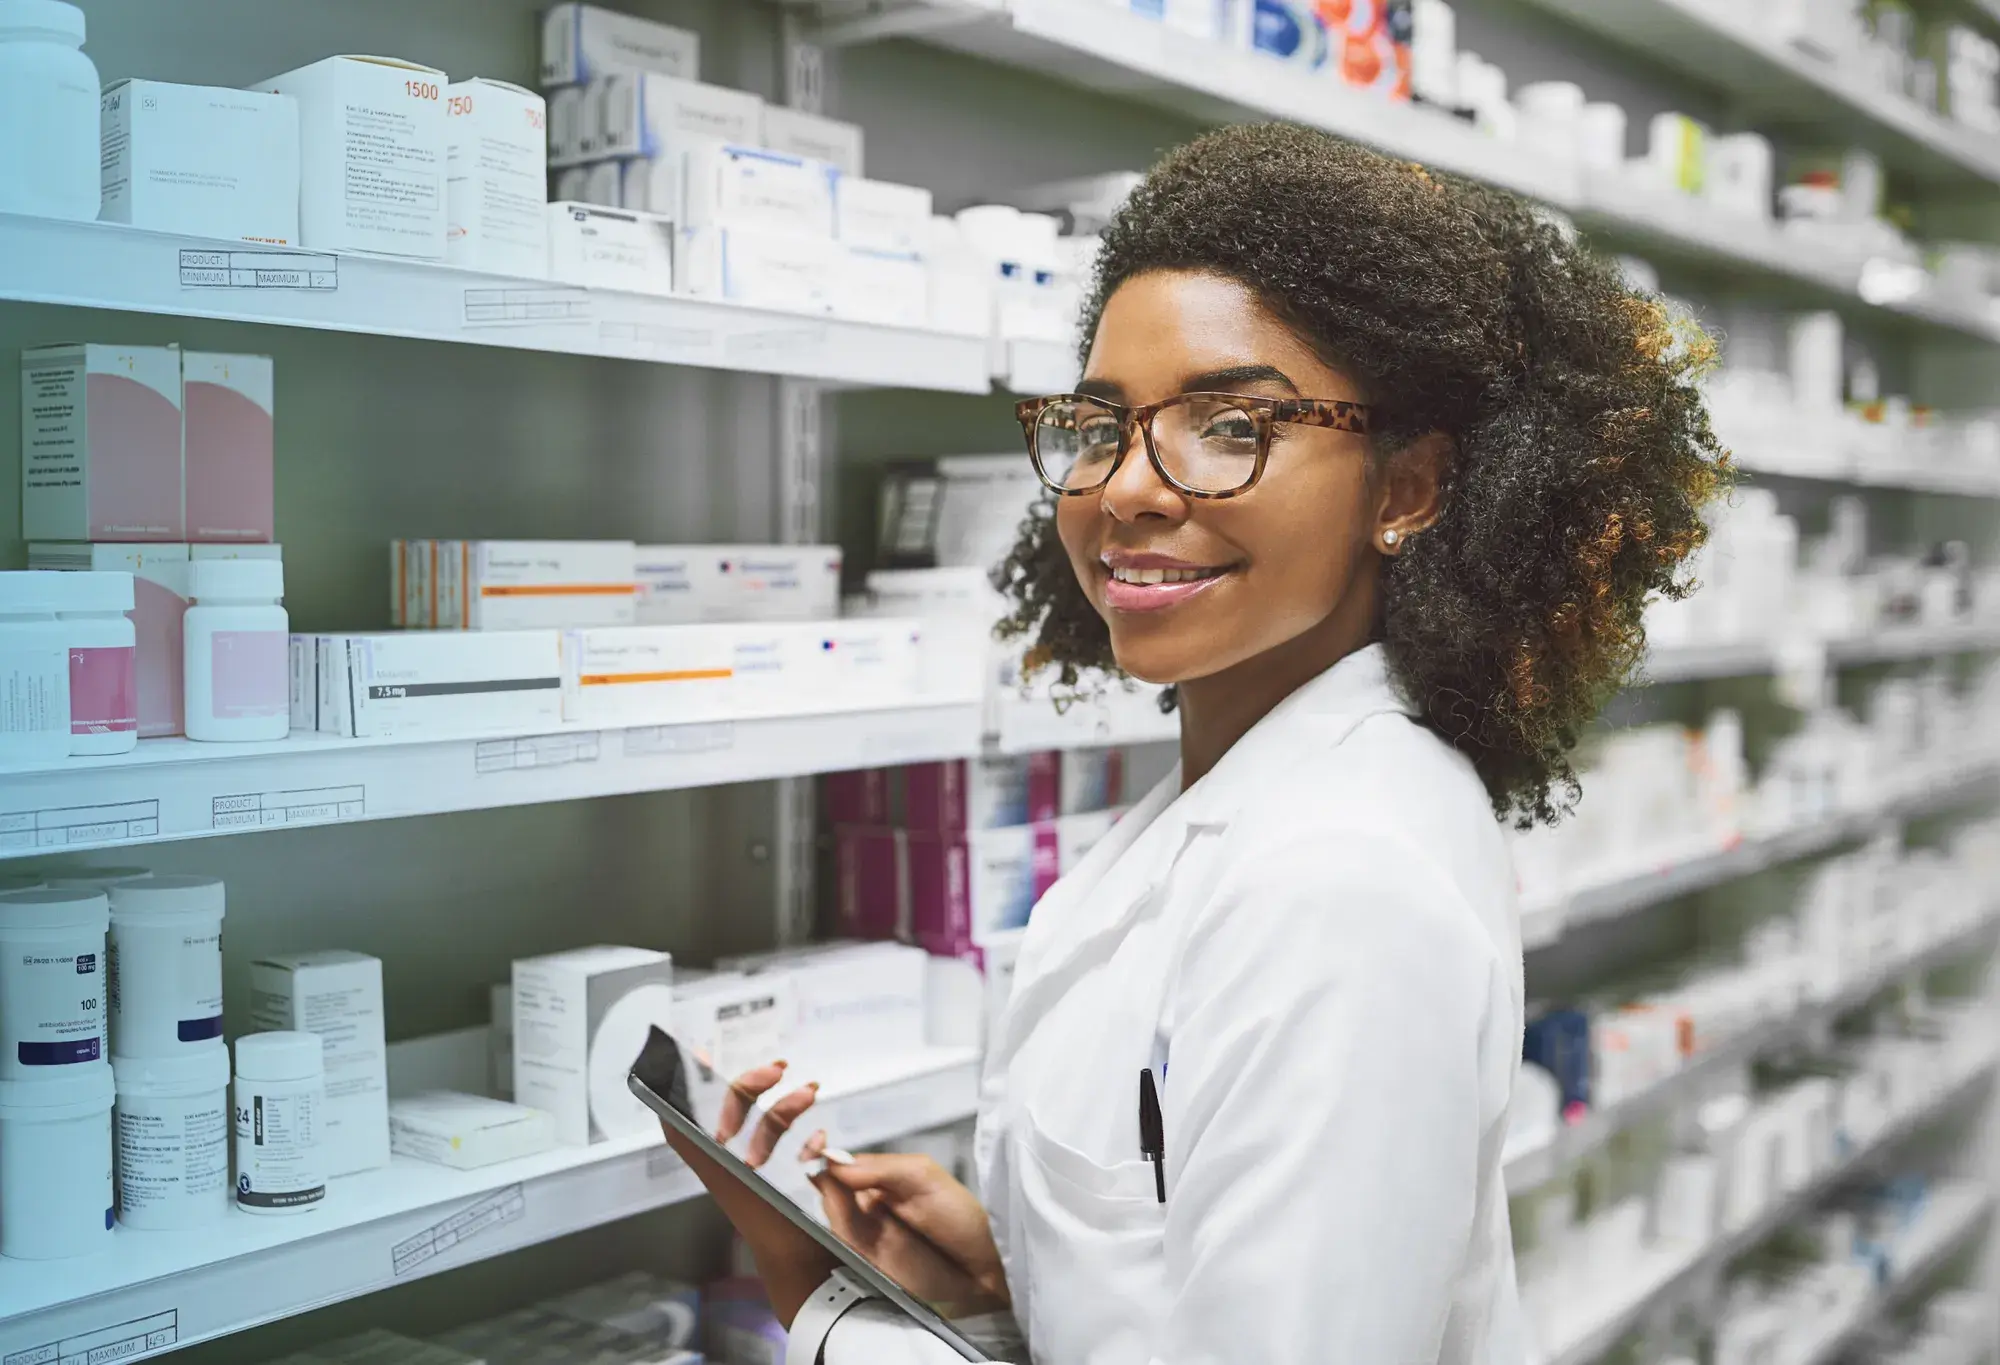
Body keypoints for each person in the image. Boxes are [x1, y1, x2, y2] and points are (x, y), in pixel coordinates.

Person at [657, 121, 1727, 1363]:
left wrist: (825, 1304)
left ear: (1408, 489)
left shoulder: (1341, 880)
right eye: (1102, 424)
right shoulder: (1230, 799)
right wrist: (1013, 1281)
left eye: (1230, 425)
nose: (1124, 490)